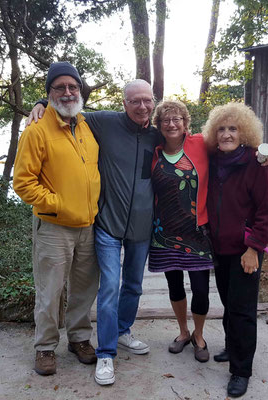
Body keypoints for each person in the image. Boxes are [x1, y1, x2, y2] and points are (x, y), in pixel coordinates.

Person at [27, 79, 160, 385]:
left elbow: (190, 147)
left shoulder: (158, 136)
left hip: (141, 227)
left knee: (134, 286)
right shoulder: (103, 121)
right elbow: (67, 105)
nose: (142, 106)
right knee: (109, 287)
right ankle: (106, 353)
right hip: (107, 224)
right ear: (123, 103)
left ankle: (123, 330)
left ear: (154, 102)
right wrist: (41, 102)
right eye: (135, 101)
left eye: (147, 101)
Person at [13, 62, 100, 376]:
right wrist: (58, 204)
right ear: (48, 93)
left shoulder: (88, 125)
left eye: (72, 86)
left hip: (89, 225)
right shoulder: (37, 130)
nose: (67, 92)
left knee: (84, 289)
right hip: (53, 226)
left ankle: (78, 339)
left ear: (80, 91)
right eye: (59, 87)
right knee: (50, 290)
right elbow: (23, 182)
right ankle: (45, 348)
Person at [203, 102, 268, 398]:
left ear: (244, 132)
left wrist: (254, 248)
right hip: (219, 247)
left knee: (244, 310)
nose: (226, 134)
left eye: (233, 128)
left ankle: (241, 370)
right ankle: (233, 348)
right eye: (221, 129)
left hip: (246, 249)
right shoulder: (214, 160)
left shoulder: (256, 164)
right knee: (229, 303)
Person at [149, 100, 213, 362]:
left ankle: (199, 335)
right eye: (166, 120)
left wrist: (261, 155)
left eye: (177, 119)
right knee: (174, 287)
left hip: (198, 232)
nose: (171, 124)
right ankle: (183, 332)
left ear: (186, 123)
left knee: (201, 289)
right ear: (159, 126)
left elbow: (232, 143)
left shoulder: (201, 144)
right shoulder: (153, 151)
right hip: (163, 234)